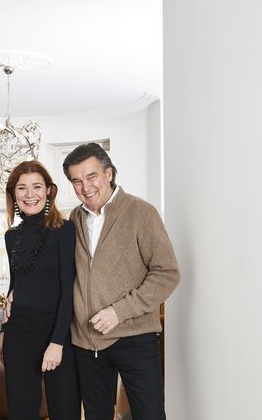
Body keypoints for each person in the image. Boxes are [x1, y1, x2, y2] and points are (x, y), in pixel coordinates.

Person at [62, 143, 180, 420]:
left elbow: (167, 273)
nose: (85, 187)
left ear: (109, 173)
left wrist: (119, 312)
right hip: (86, 341)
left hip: (134, 338)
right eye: (76, 181)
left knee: (149, 415)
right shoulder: (74, 218)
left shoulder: (142, 213)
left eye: (91, 176)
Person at [1, 160, 81, 420]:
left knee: (65, 411)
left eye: (36, 187)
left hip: (57, 332)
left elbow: (68, 289)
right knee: (21, 412)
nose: (29, 194)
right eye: (22, 188)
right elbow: (18, 281)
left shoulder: (65, 231)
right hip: (18, 334)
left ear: (48, 190)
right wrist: (9, 298)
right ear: (13, 194)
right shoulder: (11, 236)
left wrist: (57, 342)